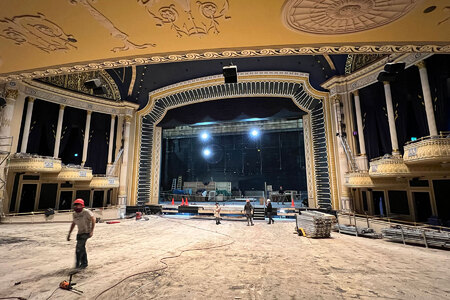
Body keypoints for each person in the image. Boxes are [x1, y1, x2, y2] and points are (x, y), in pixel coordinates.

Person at [67, 199, 95, 269]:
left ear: (81, 206)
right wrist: (69, 233)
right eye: (75, 205)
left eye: (78, 205)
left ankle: (77, 264)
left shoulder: (86, 212)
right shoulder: (74, 214)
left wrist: (91, 231)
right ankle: (84, 263)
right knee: (82, 248)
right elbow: (73, 223)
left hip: (86, 232)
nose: (76, 206)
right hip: (80, 233)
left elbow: (93, 219)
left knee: (78, 248)